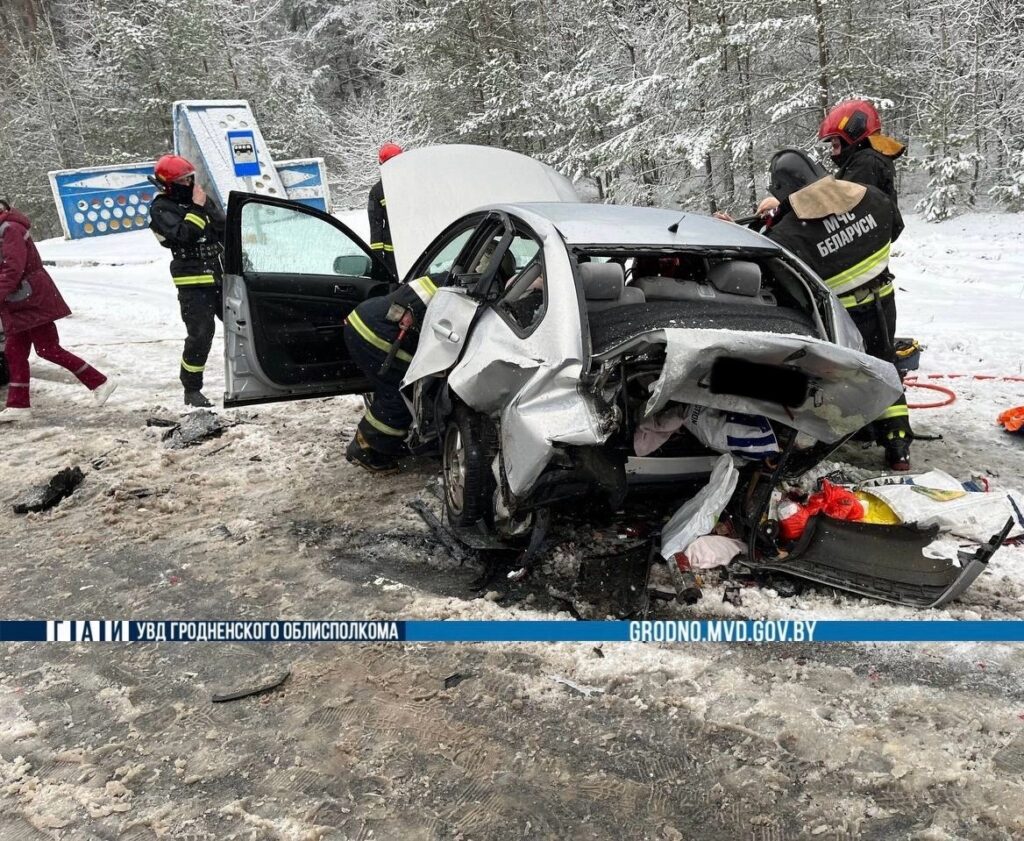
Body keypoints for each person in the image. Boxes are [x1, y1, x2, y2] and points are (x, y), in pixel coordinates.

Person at [758, 149, 913, 470]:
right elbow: (894, 229)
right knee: (884, 364)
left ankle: (834, 431)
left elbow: (780, 281)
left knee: (841, 374)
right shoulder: (870, 196)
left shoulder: (787, 234)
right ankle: (898, 443)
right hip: (883, 300)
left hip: (842, 317)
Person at [342, 243, 516, 473]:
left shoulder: (453, 279)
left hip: (365, 321)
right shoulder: (468, 289)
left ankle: (380, 443)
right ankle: (367, 449)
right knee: (399, 398)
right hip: (377, 333)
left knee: (397, 393)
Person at [0, 199, 116, 423]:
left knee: (48, 349)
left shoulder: (10, 229)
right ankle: (18, 405)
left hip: (31, 300)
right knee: (15, 353)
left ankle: (100, 382)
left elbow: (12, 269)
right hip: (19, 302)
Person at [148, 154, 225, 408]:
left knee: (246, 324)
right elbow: (185, 236)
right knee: (201, 335)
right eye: (183, 180)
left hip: (220, 273)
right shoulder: (161, 208)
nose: (190, 183)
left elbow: (221, 228)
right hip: (193, 282)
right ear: (169, 184)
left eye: (191, 178)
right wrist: (198, 208)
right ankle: (192, 389)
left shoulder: (199, 200)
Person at [368, 143, 403, 280]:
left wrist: (377, 256)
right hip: (417, 247)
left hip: (393, 252)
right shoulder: (414, 182)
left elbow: (375, 224)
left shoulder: (377, 191)